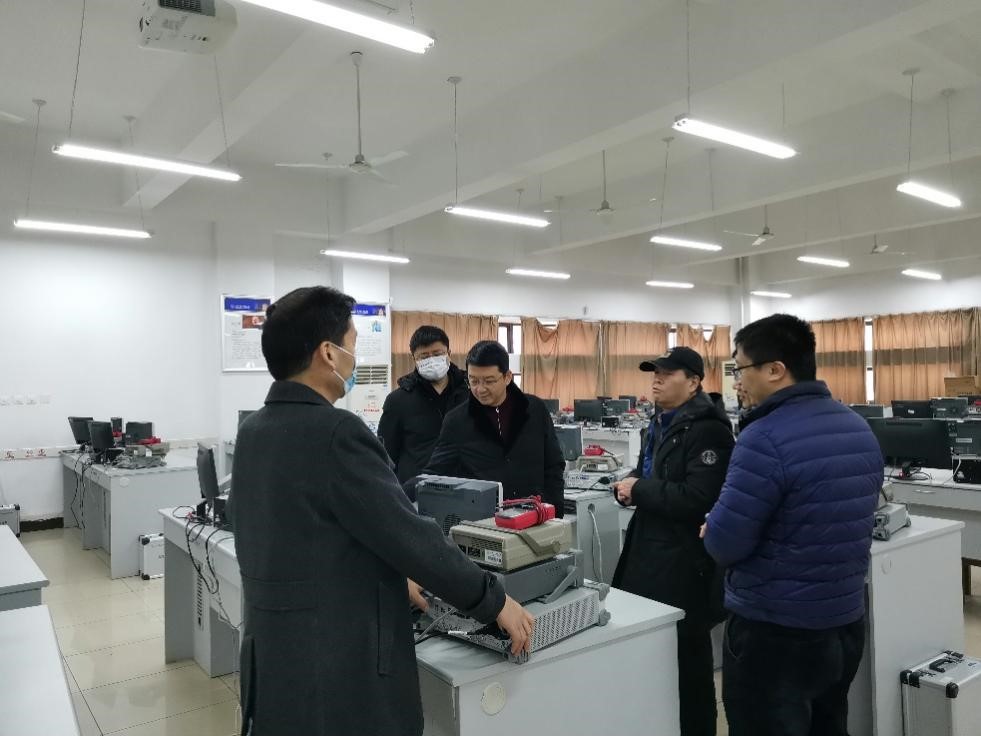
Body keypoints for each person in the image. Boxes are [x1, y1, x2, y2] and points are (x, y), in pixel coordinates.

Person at [230, 286, 534, 736]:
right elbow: (411, 537)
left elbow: (305, 536)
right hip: (335, 666)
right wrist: (494, 601)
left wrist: (391, 574)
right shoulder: (337, 432)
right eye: (352, 345)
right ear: (328, 354)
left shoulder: (254, 430)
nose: (354, 358)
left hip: (276, 658)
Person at [702, 314, 883, 736]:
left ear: (775, 369)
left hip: (775, 632)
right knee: (829, 724)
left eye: (740, 369)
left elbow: (725, 544)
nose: (737, 382)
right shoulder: (858, 427)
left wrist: (715, 525)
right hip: (843, 622)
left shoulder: (763, 437)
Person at [612, 346, 735, 736]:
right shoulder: (659, 422)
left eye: (667, 374)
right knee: (653, 664)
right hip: (649, 554)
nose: (657, 380)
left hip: (684, 563)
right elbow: (647, 473)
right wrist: (628, 486)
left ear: (694, 382)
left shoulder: (709, 430)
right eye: (655, 373)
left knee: (689, 667)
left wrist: (640, 489)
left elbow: (700, 498)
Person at [407, 340, 565, 515]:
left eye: (489, 381)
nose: (480, 389)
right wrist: (397, 495)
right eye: (473, 381)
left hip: (535, 514)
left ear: (507, 377)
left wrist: (554, 510)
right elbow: (434, 473)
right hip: (485, 520)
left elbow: (554, 464)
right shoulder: (457, 421)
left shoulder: (535, 409)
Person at [378, 325, 469, 483]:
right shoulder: (398, 400)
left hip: (466, 486)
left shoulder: (471, 393)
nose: (431, 360)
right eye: (424, 356)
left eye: (437, 354)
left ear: (449, 353)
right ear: (414, 359)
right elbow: (386, 454)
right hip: (416, 489)